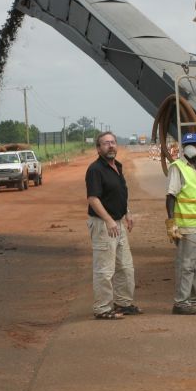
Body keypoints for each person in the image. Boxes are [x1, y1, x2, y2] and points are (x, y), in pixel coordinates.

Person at [86, 131, 142, 319]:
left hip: (118, 223)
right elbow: (93, 199)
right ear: (98, 148)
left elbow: (119, 193)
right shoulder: (95, 170)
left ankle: (123, 303)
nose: (110, 146)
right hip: (104, 225)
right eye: (105, 143)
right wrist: (109, 220)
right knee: (105, 269)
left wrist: (128, 212)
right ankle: (102, 309)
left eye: (113, 142)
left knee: (125, 266)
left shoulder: (117, 166)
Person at [165, 132, 196, 315]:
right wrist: (172, 223)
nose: (191, 147)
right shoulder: (177, 167)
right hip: (186, 225)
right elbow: (171, 196)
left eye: (194, 144)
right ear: (182, 148)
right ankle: (181, 302)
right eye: (188, 144)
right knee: (186, 264)